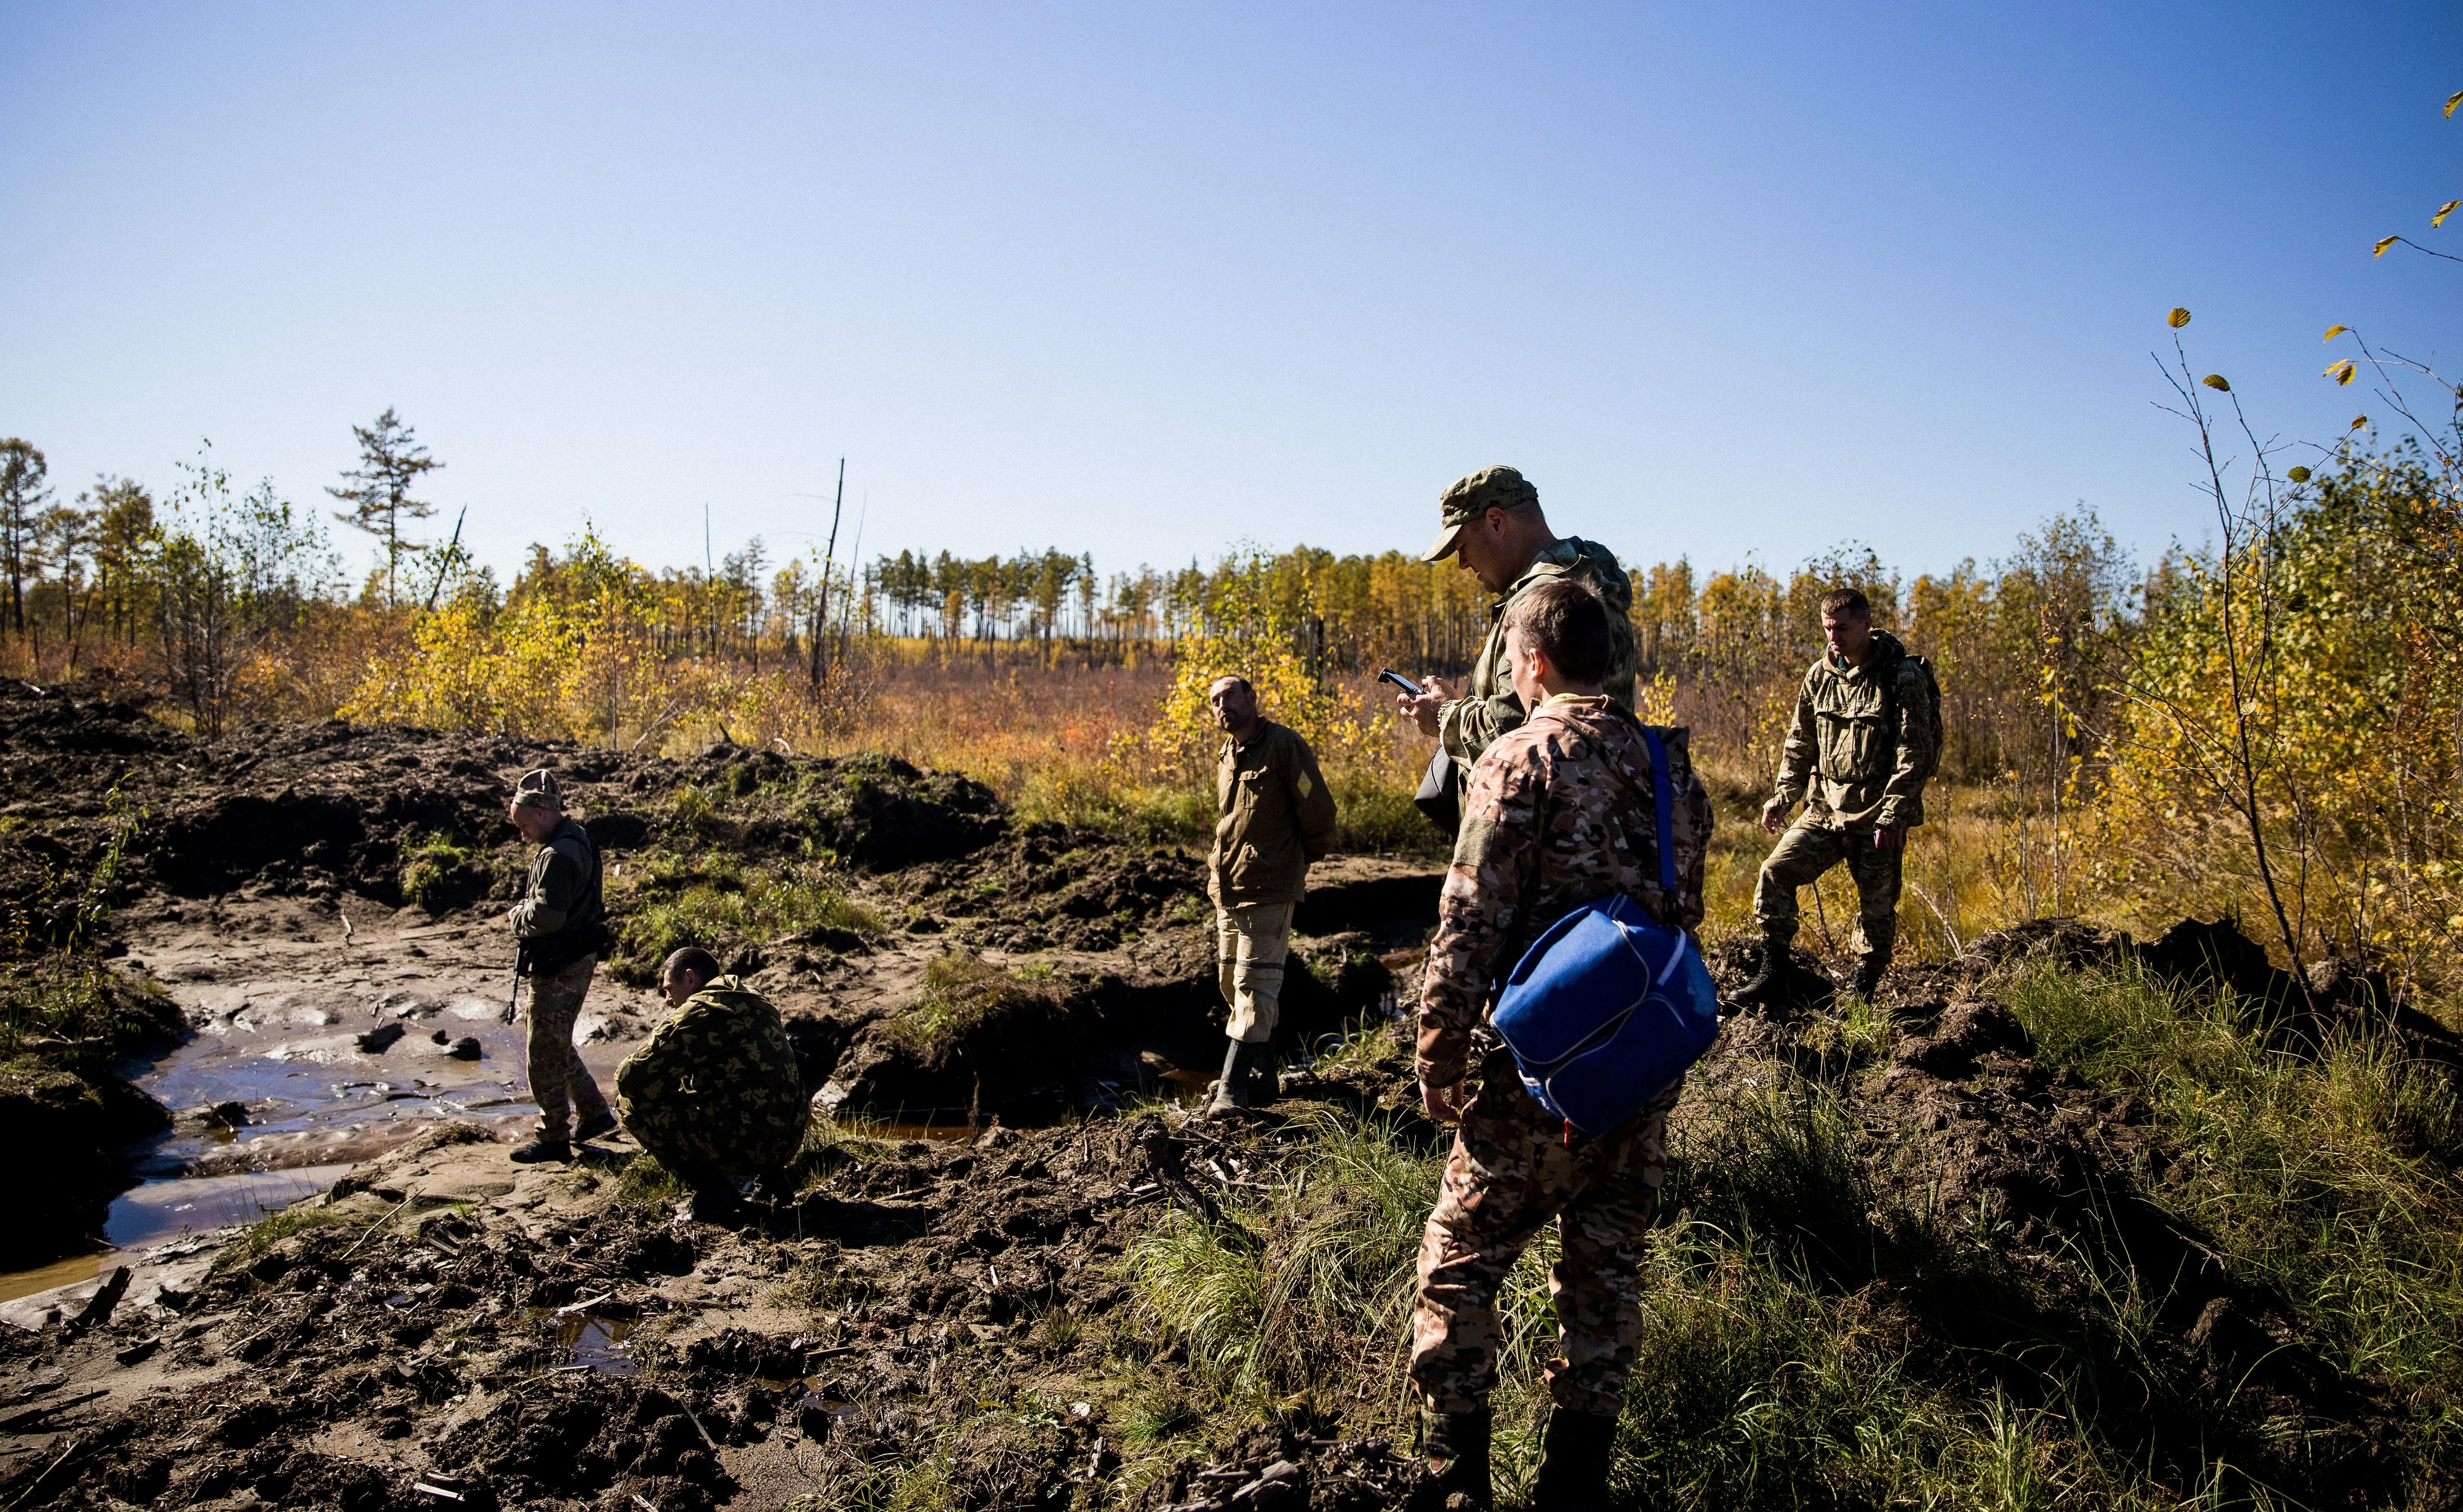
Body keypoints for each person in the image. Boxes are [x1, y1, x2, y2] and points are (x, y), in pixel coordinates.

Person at [1407, 578, 1712, 1512]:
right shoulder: (1672, 772)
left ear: (1533, 662)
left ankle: (1457, 1481)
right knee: (1604, 1277)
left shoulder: (1517, 760)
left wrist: (1439, 1050)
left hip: (1536, 1078)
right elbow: (1683, 915)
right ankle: (1575, 1486)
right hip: (1638, 1072)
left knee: (1457, 1260)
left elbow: (1468, 924)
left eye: (1510, 658)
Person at [1734, 588, 1939, 1005]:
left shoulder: (1902, 677)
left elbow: (1916, 753)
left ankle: (1862, 994)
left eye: (1843, 628)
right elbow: (1800, 741)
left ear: (1866, 624)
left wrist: (1895, 815)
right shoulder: (1819, 676)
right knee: (1775, 871)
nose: (1835, 638)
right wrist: (1784, 795)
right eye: (1828, 629)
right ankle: (1775, 973)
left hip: (1877, 815)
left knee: (1876, 910)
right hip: (1825, 809)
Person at [1392, 466, 1639, 791]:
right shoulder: (1579, 580)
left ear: (1496, 522)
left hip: (1543, 821)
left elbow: (1510, 735)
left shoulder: (1542, 601)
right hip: (1592, 809)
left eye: (1462, 546)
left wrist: (1443, 715)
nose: (1463, 563)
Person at [1203, 673, 1338, 1116]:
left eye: (1230, 696)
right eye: (1216, 701)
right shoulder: (1228, 754)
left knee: (1254, 985)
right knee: (1231, 983)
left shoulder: (1283, 745)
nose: (1224, 706)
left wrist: (1295, 862)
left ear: (1252, 698)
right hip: (1230, 889)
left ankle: (1231, 1090)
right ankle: (1264, 1077)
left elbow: (1317, 809)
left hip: (1269, 887)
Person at [615, 947, 809, 1225]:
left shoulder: (697, 1015)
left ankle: (712, 1193)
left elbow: (628, 1078)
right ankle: (771, 1178)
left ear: (691, 979)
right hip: (788, 1142)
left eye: (669, 989)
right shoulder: (752, 999)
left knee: (629, 1103)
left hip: (750, 1149)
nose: (668, 1000)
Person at [505, 770, 615, 1165]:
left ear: (539, 813)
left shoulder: (558, 855)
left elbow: (549, 916)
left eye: (522, 826)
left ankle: (553, 1136)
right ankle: (595, 1113)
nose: (522, 835)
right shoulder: (576, 838)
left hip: (560, 962)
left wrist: (518, 917)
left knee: (542, 1052)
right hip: (574, 956)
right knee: (555, 1041)